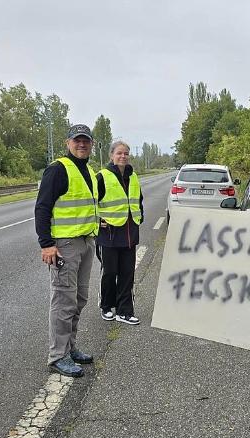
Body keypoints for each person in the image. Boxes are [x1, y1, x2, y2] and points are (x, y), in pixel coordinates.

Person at [34, 124, 99, 378]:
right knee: (63, 300)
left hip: (85, 242)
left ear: (92, 144)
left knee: (79, 298)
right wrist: (46, 243)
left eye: (86, 141)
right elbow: (42, 208)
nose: (81, 144)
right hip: (65, 245)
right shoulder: (58, 169)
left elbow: (88, 205)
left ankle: (70, 347)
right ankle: (58, 355)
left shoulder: (89, 171)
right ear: (68, 143)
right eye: (77, 141)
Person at [95, 141, 143, 325]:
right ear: (111, 155)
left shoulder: (133, 176)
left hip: (130, 233)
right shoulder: (102, 176)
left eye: (126, 154)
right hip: (109, 234)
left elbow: (139, 200)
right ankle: (106, 306)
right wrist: (99, 222)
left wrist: (141, 216)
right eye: (119, 153)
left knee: (127, 273)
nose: (123, 156)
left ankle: (125, 311)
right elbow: (92, 203)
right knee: (109, 272)